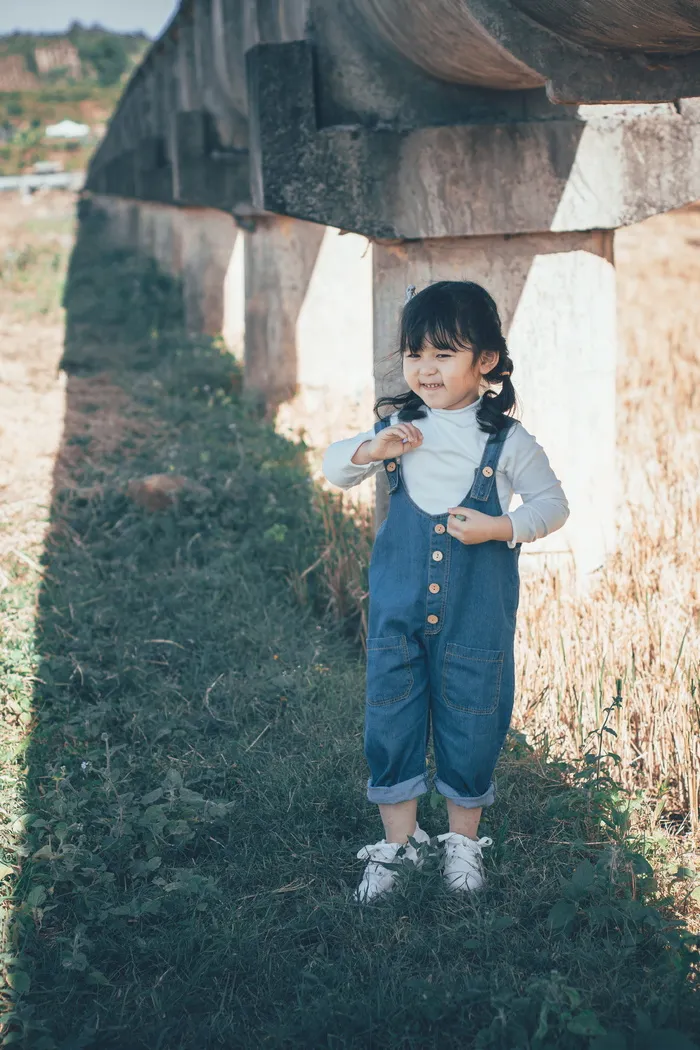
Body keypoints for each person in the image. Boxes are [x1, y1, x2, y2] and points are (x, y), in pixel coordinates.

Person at [322, 281, 570, 904]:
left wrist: (500, 528)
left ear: (485, 362)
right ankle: (398, 844)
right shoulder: (399, 428)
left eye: (443, 354)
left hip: (475, 618)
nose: (424, 369)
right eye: (414, 354)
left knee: (472, 717)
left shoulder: (508, 441)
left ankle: (462, 841)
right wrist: (370, 449)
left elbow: (553, 504)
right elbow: (333, 470)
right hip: (398, 614)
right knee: (392, 714)